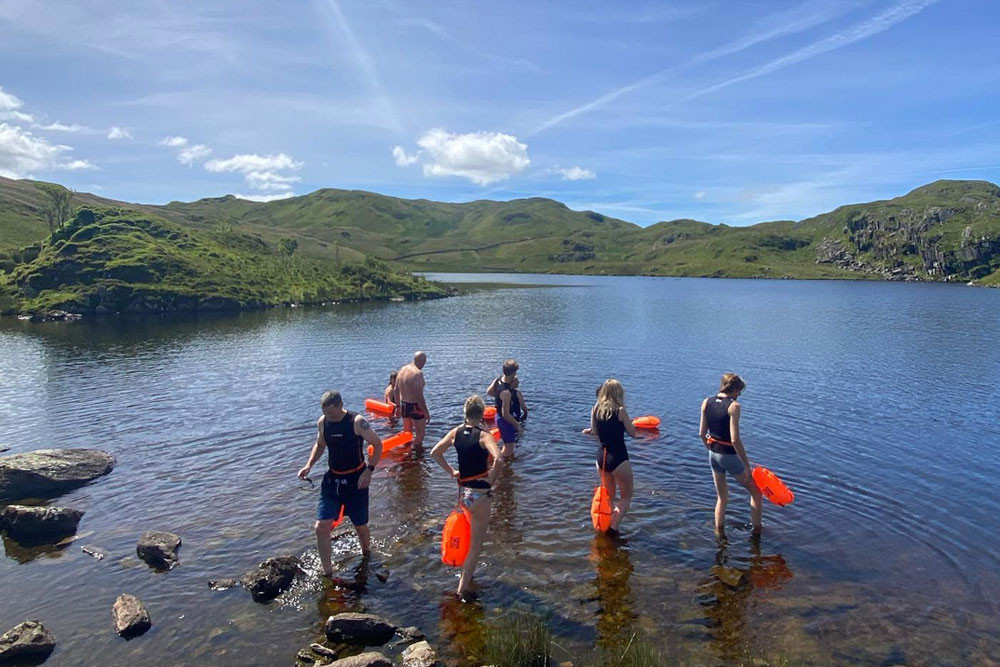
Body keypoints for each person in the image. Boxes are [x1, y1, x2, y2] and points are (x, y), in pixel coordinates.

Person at [298, 390, 383, 575]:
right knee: (321, 527)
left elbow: (378, 444)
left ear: (340, 405)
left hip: (356, 479)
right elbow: (320, 445)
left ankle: (367, 554)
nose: (330, 417)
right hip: (333, 480)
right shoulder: (323, 423)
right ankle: (327, 572)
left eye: (333, 413)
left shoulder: (357, 422)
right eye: (327, 413)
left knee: (360, 525)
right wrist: (309, 465)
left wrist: (369, 471)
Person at [431, 395, 503, 599]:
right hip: (480, 494)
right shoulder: (484, 436)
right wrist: (491, 481)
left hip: (464, 494)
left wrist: (452, 471)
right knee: (476, 546)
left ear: (465, 413)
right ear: (481, 415)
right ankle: (462, 589)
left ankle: (468, 577)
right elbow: (499, 459)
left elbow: (435, 453)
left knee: (469, 536)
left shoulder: (455, 432)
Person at [699, 373, 762, 535]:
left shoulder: (706, 402)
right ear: (734, 389)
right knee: (756, 492)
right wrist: (747, 467)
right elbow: (735, 440)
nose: (740, 394)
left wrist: (711, 449)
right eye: (739, 391)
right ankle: (757, 531)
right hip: (728, 455)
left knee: (722, 498)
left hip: (713, 454)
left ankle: (718, 532)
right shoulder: (734, 406)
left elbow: (701, 433)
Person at [585, 379, 637, 534]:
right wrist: (629, 422)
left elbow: (594, 431)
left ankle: (604, 524)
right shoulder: (620, 410)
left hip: (601, 457)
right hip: (618, 457)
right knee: (626, 496)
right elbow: (632, 433)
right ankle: (613, 528)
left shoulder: (596, 409)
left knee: (609, 495)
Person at [487, 359, 528, 459]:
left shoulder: (498, 380)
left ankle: (498, 462)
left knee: (507, 445)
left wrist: (499, 399)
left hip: (498, 416)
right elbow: (506, 414)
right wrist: (517, 424)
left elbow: (489, 392)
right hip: (505, 421)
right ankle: (499, 464)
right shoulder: (506, 392)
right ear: (513, 373)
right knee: (509, 449)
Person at [394, 351, 430, 447]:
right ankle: (416, 456)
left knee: (407, 434)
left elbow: (396, 390)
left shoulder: (402, 369)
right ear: (422, 361)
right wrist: (426, 412)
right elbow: (419, 396)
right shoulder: (418, 374)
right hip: (415, 406)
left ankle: (407, 456)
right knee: (420, 436)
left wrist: (398, 407)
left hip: (404, 404)